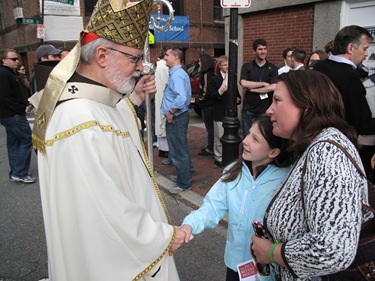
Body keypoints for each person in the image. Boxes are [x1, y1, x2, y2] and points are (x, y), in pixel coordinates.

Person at [31, 0, 188, 279]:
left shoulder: (95, 103)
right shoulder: (79, 120)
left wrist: (136, 96)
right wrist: (161, 236)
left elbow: (113, 117)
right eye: (134, 59)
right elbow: (103, 211)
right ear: (102, 55)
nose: (141, 67)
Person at [251, 70, 371, 280]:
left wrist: (271, 252)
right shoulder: (313, 147)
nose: (269, 110)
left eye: (277, 101)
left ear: (306, 108)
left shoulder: (328, 153)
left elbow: (333, 250)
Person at [180, 114, 292, 281]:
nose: (245, 141)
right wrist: (189, 225)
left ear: (274, 151)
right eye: (248, 134)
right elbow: (211, 207)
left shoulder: (286, 181)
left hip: (269, 272)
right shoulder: (233, 172)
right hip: (234, 266)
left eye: (255, 139)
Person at [313, 25, 375, 136]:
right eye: (364, 49)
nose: (366, 54)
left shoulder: (318, 67)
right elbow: (361, 124)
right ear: (351, 48)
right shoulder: (350, 78)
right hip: (336, 140)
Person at [161, 47, 195, 194]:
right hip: (180, 116)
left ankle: (184, 182)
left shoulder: (177, 75)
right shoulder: (179, 73)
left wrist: (170, 112)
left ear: (175, 57)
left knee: (177, 150)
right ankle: (185, 173)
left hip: (176, 117)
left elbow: (181, 98)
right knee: (181, 147)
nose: (164, 57)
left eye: (167, 55)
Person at [0, 49, 35, 183]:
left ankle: (16, 172)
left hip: (10, 114)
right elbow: (4, 96)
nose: (17, 62)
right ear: (4, 60)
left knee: (13, 142)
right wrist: (21, 108)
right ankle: (20, 173)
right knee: (26, 139)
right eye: (13, 59)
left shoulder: (8, 73)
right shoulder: (4, 73)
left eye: (17, 59)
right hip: (13, 114)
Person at [240, 39, 278, 139]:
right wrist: (263, 84)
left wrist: (254, 89)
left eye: (265, 49)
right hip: (249, 108)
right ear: (254, 51)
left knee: (264, 136)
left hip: (265, 108)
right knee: (247, 135)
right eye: (260, 49)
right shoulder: (247, 66)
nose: (263, 52)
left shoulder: (272, 68)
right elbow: (244, 83)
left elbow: (274, 86)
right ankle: (247, 154)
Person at [208, 55, 241, 168]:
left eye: (228, 64)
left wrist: (238, 99)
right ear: (220, 66)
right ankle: (219, 158)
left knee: (231, 136)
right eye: (224, 64)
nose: (227, 66)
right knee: (219, 136)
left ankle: (230, 157)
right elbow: (211, 96)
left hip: (231, 112)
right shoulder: (214, 79)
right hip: (219, 112)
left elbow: (237, 94)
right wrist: (220, 91)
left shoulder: (232, 77)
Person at [197, 53, 216, 157]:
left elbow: (205, 90)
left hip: (207, 105)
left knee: (210, 128)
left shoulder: (206, 75)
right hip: (209, 104)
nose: (199, 64)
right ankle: (210, 146)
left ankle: (210, 148)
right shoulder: (211, 74)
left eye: (200, 61)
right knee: (211, 128)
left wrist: (201, 100)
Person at [155, 48, 170, 158]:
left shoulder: (162, 68)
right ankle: (164, 150)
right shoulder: (163, 68)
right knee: (162, 125)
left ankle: (164, 149)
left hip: (161, 98)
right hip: (162, 98)